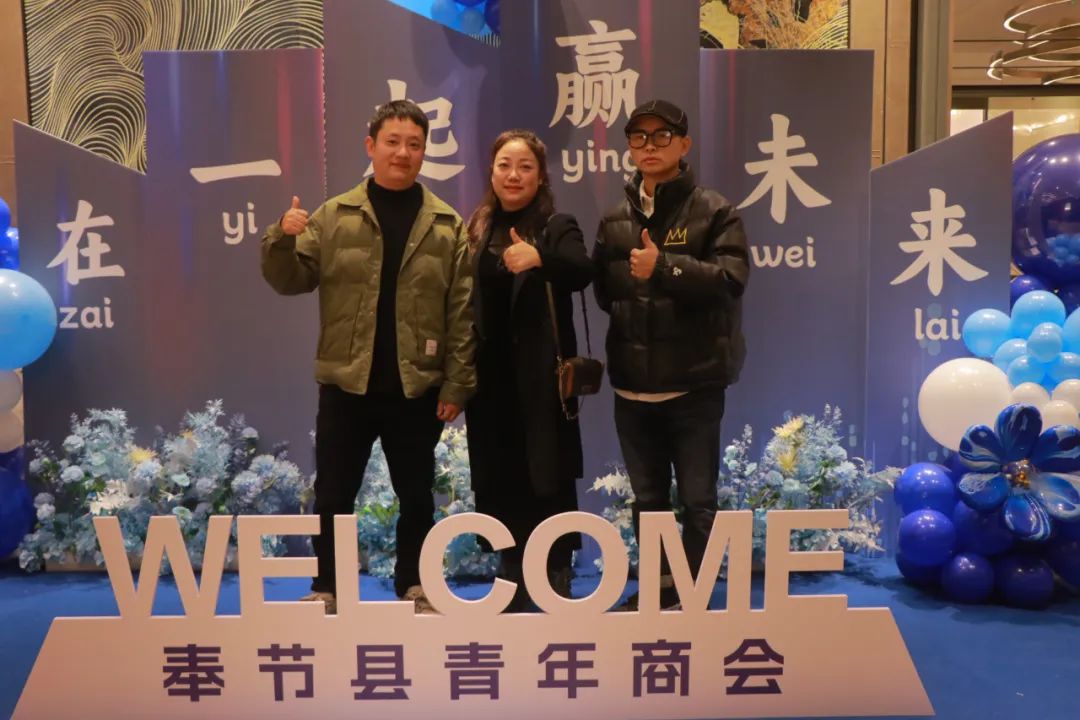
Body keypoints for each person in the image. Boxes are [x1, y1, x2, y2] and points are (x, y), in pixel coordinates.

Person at [261, 99, 476, 614]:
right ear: (371, 147)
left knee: (417, 495)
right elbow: (290, 280)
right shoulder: (334, 216)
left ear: (424, 152)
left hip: (416, 386)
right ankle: (328, 587)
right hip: (346, 384)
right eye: (392, 142)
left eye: (414, 144)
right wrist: (281, 238)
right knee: (334, 494)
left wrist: (456, 384)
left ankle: (415, 584)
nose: (403, 153)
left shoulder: (446, 224)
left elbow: (463, 312)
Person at [592, 99, 750, 610]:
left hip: (694, 386)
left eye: (662, 136)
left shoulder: (715, 210)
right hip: (632, 388)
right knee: (649, 501)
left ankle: (694, 597)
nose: (650, 146)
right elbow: (605, 293)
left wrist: (665, 268)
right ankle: (660, 592)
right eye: (639, 137)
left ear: (684, 144)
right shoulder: (614, 218)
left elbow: (730, 280)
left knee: (699, 500)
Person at [465, 129, 592, 611]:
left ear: (541, 177)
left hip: (541, 378)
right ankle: (510, 567)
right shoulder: (477, 226)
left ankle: (556, 567)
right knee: (497, 474)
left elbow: (582, 271)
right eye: (504, 165)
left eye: (525, 167)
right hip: (489, 379)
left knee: (548, 474)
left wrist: (540, 258)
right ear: (492, 172)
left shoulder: (557, 225)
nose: (513, 175)